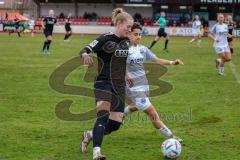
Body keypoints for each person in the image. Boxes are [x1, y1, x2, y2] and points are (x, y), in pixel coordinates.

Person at [79, 8, 133, 160]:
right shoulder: (104, 38)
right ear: (119, 23)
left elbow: (121, 62)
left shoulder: (126, 41)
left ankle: (89, 134)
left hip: (119, 85)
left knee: (115, 124)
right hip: (103, 83)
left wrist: (127, 74)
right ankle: (96, 153)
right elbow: (85, 49)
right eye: (128, 27)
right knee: (103, 117)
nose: (129, 30)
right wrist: (85, 55)